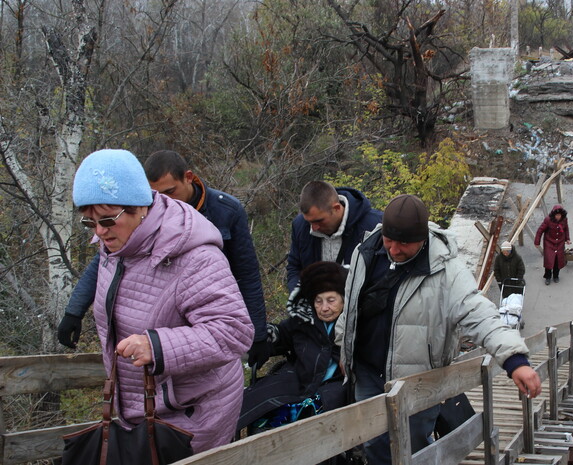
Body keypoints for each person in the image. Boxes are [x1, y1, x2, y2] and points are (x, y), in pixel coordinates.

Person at [70, 149, 254, 453]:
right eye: (89, 223)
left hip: (192, 415)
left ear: (139, 207)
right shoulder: (115, 248)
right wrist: (73, 311)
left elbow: (234, 331)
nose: (99, 232)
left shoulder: (194, 257)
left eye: (106, 219)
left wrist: (156, 346)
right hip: (139, 410)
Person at [336, 194, 541, 465]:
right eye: (390, 239)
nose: (394, 249)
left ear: (422, 239)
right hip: (366, 373)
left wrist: (515, 360)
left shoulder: (446, 271)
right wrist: (342, 348)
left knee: (415, 447)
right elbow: (350, 306)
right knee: (374, 444)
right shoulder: (365, 253)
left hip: (418, 380)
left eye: (404, 243)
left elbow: (479, 313)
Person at [58, 150, 272, 371]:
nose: (164, 202)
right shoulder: (126, 225)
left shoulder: (225, 211)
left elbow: (247, 275)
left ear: (188, 177)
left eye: (171, 191)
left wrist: (258, 333)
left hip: (204, 331)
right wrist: (74, 311)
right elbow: (103, 263)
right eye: (156, 194)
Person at [238, 261, 349, 436]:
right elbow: (281, 334)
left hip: (334, 387)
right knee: (263, 409)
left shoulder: (353, 325)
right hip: (298, 380)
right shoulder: (303, 320)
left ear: (344, 299)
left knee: (313, 412)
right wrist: (263, 337)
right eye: (318, 301)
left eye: (331, 300)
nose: (324, 308)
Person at [287, 181, 382, 291]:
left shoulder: (374, 225)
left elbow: (382, 274)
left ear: (336, 208)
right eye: (309, 222)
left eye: (319, 221)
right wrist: (300, 299)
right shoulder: (300, 226)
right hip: (316, 305)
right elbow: (295, 267)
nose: (314, 227)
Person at [534, 205, 570, 285]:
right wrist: (537, 242)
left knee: (558, 261)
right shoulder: (548, 220)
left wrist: (567, 239)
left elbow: (566, 229)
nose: (558, 217)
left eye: (559, 215)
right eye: (556, 215)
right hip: (549, 243)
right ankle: (547, 276)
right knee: (549, 261)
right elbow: (540, 230)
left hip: (560, 243)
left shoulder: (564, 220)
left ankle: (556, 276)